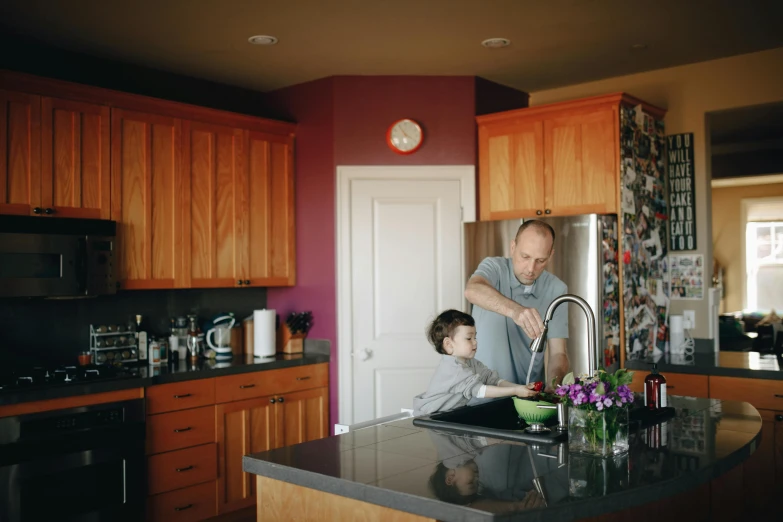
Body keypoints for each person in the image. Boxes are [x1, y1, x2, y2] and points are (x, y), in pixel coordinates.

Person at [465, 220, 569, 390]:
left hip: (527, 396)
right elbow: (472, 290)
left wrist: (553, 385)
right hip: (482, 392)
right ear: (513, 247)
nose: (531, 268)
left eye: (540, 260)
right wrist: (515, 311)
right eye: (525, 257)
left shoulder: (556, 289)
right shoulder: (494, 268)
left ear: (550, 256)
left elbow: (558, 352)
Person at [412, 309, 537, 415]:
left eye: (475, 337)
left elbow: (492, 379)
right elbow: (480, 391)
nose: (475, 342)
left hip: (449, 414)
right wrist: (515, 391)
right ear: (448, 344)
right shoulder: (453, 369)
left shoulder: (471, 363)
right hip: (429, 417)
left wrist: (520, 388)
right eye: (468, 338)